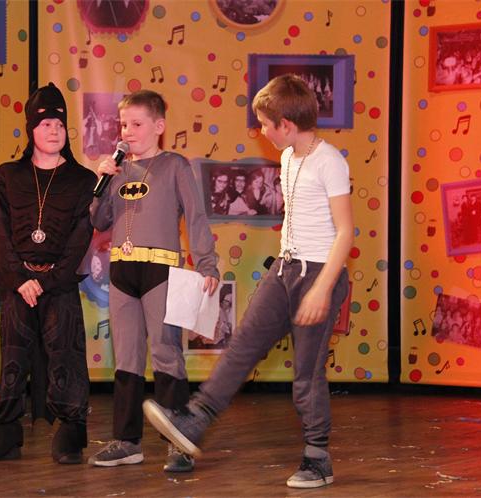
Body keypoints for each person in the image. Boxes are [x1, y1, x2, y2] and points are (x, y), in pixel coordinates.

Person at [143, 74, 353, 489]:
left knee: (307, 374)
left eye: (265, 124)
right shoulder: (289, 157)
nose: (261, 131)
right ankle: (195, 420)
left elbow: (345, 232)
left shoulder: (330, 161)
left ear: (286, 125)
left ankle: (317, 458)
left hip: (318, 274)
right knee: (241, 347)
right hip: (286, 270)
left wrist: (322, 289)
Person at [89, 89, 220, 472]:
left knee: (166, 352)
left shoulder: (174, 165)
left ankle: (178, 441)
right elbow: (99, 221)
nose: (127, 132)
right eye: (123, 124)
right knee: (127, 357)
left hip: (160, 271)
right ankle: (127, 441)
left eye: (136, 124)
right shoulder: (117, 171)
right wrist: (101, 182)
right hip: (122, 271)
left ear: (159, 126)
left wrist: (207, 264)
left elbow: (195, 217)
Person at [0, 83, 96, 464]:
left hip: (58, 283)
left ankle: (71, 429)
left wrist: (47, 281)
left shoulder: (83, 180)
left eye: (59, 124)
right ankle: (6, 429)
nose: (53, 131)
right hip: (18, 283)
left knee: (66, 354)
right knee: (13, 355)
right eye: (45, 124)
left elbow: (80, 238)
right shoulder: (7, 176)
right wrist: (19, 278)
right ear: (31, 130)